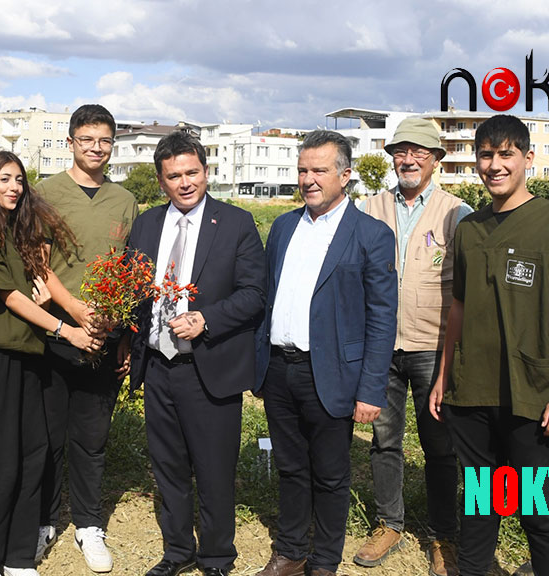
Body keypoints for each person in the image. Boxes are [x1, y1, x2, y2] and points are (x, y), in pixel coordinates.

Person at [428, 114, 549, 576]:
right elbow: (459, 308)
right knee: (480, 508)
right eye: (486, 155)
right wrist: (444, 376)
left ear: (528, 158)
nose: (495, 165)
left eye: (505, 154)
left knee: (543, 514)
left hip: (536, 397)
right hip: (474, 395)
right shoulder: (470, 229)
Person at [0, 150, 101, 576]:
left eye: (19, 180)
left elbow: (33, 288)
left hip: (29, 356)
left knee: (33, 454)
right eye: (4, 179)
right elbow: (8, 296)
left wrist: (59, 307)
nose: (14, 187)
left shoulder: (18, 231)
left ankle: (18, 557)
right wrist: (67, 330)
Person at [253, 130, 397, 576]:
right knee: (291, 467)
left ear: (345, 175)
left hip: (332, 374)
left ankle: (324, 561)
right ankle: (291, 552)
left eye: (319, 170)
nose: (308, 179)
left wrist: (371, 390)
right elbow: (267, 296)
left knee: (331, 475)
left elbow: (381, 318)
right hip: (280, 369)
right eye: (302, 170)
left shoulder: (371, 234)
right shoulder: (283, 227)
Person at [124, 130, 266, 576]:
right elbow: (131, 288)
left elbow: (254, 293)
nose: (185, 183)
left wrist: (207, 318)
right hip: (158, 366)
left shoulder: (236, 223)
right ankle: (178, 550)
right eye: (174, 176)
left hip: (210, 367)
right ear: (161, 181)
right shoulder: (146, 224)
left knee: (214, 469)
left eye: (192, 172)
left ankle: (217, 556)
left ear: (206, 171)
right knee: (168, 468)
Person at [357, 118, 470, 575]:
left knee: (440, 444)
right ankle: (389, 523)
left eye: (419, 152)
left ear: (436, 160)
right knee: (384, 441)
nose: (408, 160)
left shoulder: (456, 213)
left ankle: (444, 534)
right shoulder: (368, 208)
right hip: (380, 345)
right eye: (400, 152)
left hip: (432, 345)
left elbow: (466, 290)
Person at [33, 104, 138, 572]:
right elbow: (38, 263)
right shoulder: (46, 193)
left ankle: (89, 524)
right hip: (55, 329)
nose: (96, 148)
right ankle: (43, 522)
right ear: (71, 142)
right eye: (87, 139)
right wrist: (74, 310)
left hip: (104, 334)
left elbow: (130, 269)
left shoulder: (125, 201)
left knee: (92, 437)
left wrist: (122, 332)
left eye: (105, 140)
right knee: (49, 435)